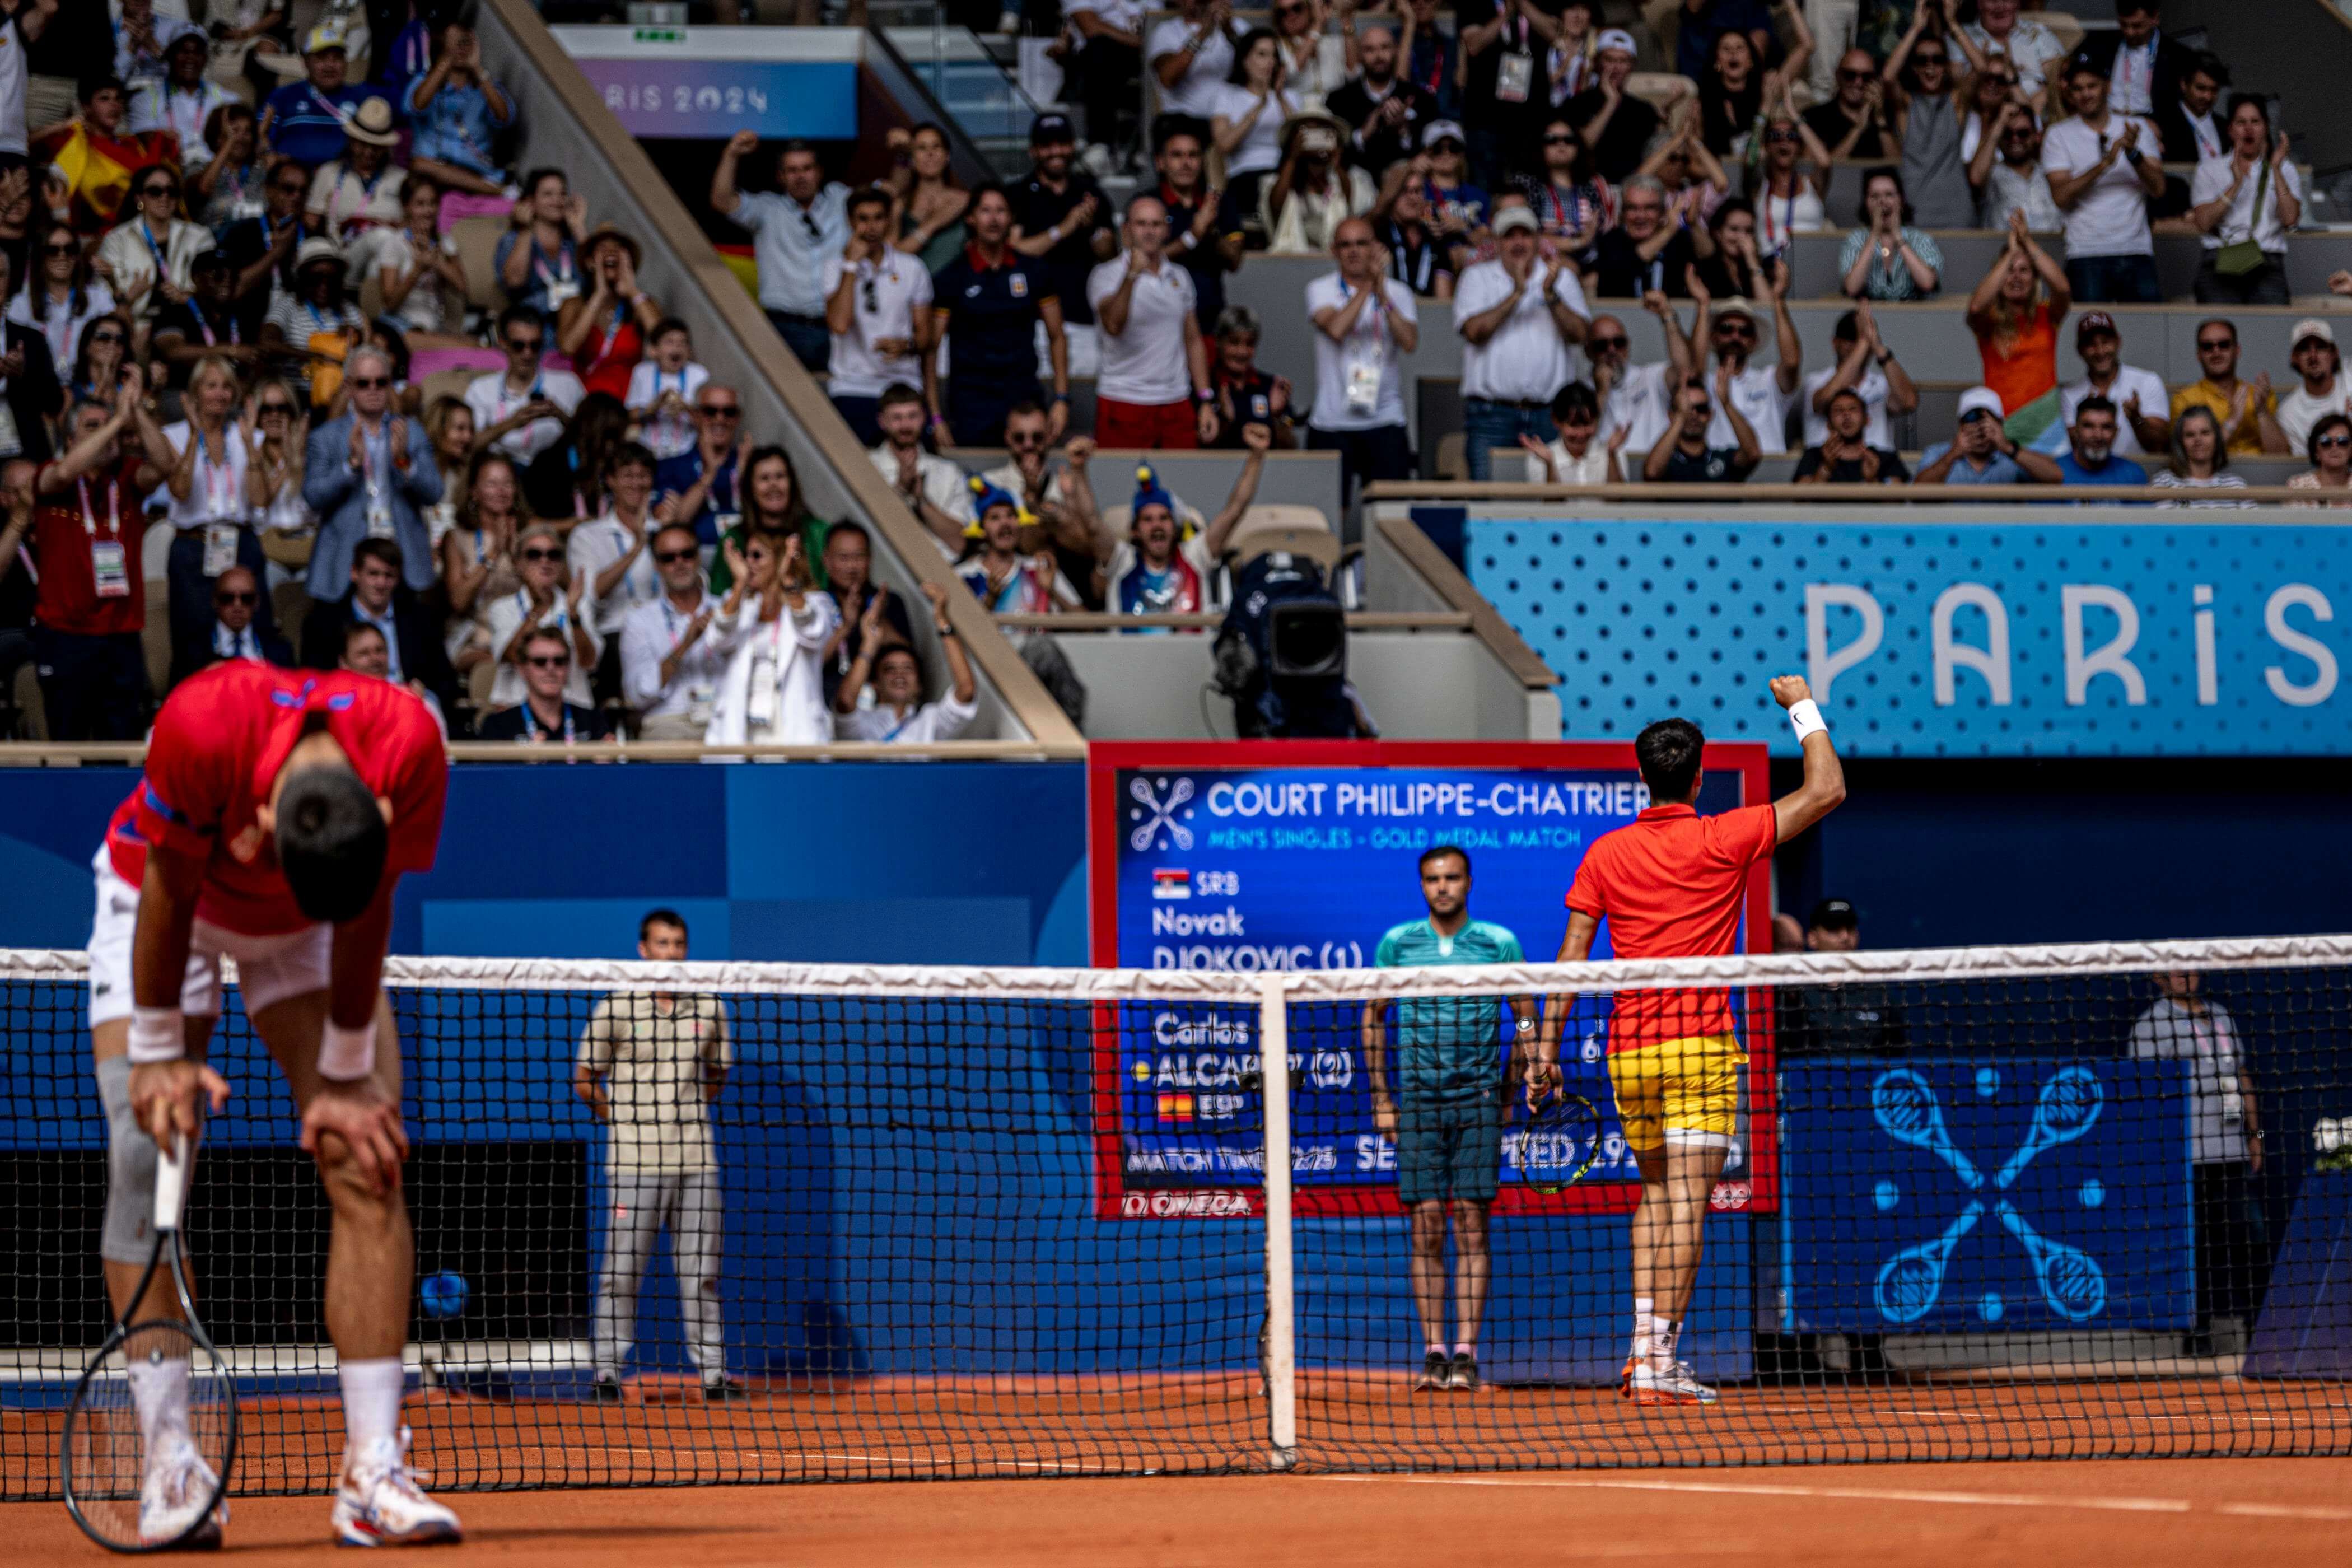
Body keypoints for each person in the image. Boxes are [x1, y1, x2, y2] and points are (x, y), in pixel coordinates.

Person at [89, 656, 456, 1547]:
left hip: (314, 928)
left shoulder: (410, 744)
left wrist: (340, 1078)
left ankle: (372, 1471)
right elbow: (171, 892)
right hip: (162, 896)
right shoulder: (204, 721)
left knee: (366, 1157)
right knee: (149, 1160)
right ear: (259, 821)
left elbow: (369, 908)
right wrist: (158, 1056)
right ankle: (170, 1460)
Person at [1530, 680, 1844, 1406]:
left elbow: (1571, 956)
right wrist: (1801, 705)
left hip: (1628, 1055)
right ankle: (1659, 1360)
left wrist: (1545, 1047)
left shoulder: (1606, 853)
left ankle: (1642, 1351)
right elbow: (1826, 790)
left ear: (1642, 777)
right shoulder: (1725, 835)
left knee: (1655, 1194)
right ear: (1699, 778)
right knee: (1686, 1207)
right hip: (1699, 1050)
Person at [1364, 844, 1530, 1394]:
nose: (1442, 887)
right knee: (1427, 1225)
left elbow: (1525, 1018)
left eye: (1452, 877)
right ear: (1422, 884)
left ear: (1469, 881)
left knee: (1473, 1224)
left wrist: (1508, 1090)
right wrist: (1383, 1099)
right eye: (1433, 879)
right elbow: (1374, 1017)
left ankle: (1467, 1354)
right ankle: (1434, 1351)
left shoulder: (1499, 943)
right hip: (1417, 1102)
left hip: (1478, 1101)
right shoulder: (1397, 943)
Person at [575, 909, 738, 1396]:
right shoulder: (617, 1008)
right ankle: (607, 1373)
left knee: (702, 1276)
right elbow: (585, 1079)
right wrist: (622, 1119)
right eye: (662, 944)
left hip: (696, 1162)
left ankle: (713, 1376)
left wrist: (682, 1112)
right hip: (633, 1162)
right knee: (620, 1274)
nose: (671, 953)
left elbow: (718, 1075)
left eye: (679, 944)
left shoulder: (709, 1008)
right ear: (643, 949)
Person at [2128, 970, 2267, 1359]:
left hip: (2232, 1154)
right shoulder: (2151, 1025)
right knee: (2197, 1247)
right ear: (2157, 978)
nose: (2184, 976)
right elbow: (2145, 1093)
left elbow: (2241, 1076)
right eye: (2175, 970)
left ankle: (2260, 1329)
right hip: (2186, 1158)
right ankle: (2198, 1332)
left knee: (2250, 1241)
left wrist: (2256, 1137)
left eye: (2190, 968)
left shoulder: (2221, 1015)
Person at [30, 386, 172, 740]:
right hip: (66, 636)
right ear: (70, 438)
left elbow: (168, 465)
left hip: (121, 635)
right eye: (92, 426)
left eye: (108, 425)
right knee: (68, 743)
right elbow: (65, 474)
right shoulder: (50, 475)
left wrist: (134, 411)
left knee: (121, 746)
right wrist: (117, 423)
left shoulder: (127, 477)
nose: (106, 432)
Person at [927, 183, 1070, 451]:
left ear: (1011, 218)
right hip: (972, 400)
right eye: (985, 211)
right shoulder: (951, 277)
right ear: (970, 218)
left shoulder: (1035, 270)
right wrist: (935, 416)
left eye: (1001, 211)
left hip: (1024, 394)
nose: (994, 219)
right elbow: (931, 349)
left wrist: (1062, 399)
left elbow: (1057, 335)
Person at [1454, 204, 1589, 479]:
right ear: (1496, 242)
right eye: (1509, 236)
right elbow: (1474, 332)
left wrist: (1551, 296)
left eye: (1525, 235)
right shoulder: (1476, 277)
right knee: (1486, 504)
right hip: (1492, 415)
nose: (1518, 242)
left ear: (1538, 239)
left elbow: (1580, 335)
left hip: (1551, 415)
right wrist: (1517, 294)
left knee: (1553, 505)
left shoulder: (1561, 278)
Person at [301, 344, 441, 601]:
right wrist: (351, 466)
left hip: (402, 552)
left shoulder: (412, 431)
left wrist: (404, 463)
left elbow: (434, 492)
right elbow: (313, 496)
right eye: (364, 383)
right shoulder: (326, 436)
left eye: (381, 382)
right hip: (347, 555)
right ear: (349, 386)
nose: (374, 390)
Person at [710, 132, 850, 373]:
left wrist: (902, 159)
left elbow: (889, 194)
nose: (801, 176)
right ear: (781, 177)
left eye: (807, 168)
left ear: (819, 172)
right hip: (783, 327)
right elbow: (722, 201)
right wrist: (731, 153)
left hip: (836, 327)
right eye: (792, 171)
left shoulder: (842, 202)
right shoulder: (767, 209)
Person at [1093, 426, 1268, 617]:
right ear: (1135, 530)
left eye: (1164, 518)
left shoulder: (1195, 555)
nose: (1157, 525)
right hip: (1126, 648)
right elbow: (1092, 523)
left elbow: (1235, 510)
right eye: (1148, 520)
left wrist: (1257, 456)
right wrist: (1077, 470)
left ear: (1175, 527)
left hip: (1190, 648)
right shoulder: (1122, 559)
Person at [1305, 217, 1417, 500]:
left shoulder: (1399, 292)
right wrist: (1369, 285)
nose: (1354, 251)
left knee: (1390, 511)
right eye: (1345, 245)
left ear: (1375, 248)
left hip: (1385, 418)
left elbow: (1410, 342)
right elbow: (1336, 329)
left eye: (1361, 243)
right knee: (1329, 512)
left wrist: (1383, 295)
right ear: (1334, 250)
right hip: (1332, 422)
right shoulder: (1321, 289)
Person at [1090, 196, 1214, 449]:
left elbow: (1193, 340)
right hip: (1123, 399)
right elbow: (1113, 325)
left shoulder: (1180, 275)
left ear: (1167, 229)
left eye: (1156, 224)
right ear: (1126, 229)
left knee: (1181, 485)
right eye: (1141, 224)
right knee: (1120, 485)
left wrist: (1205, 400)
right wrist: (1132, 275)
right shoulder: (1105, 275)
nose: (1149, 231)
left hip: (1176, 401)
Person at [2041, 53, 2164, 305]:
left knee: (2147, 333)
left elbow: (2159, 189)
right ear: (2070, 94)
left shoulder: (2136, 128)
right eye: (2078, 89)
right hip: (2086, 252)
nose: (2085, 94)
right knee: (2089, 339)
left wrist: (2133, 153)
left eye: (2092, 86)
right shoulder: (2058, 134)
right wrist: (2105, 164)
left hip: (2136, 250)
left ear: (2107, 87)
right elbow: (2061, 197)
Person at [703, 529, 838, 748]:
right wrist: (739, 586)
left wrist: (788, 582)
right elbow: (716, 640)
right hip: (740, 726)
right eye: (746, 556)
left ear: (780, 558)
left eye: (757, 555)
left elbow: (813, 633)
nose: (749, 563)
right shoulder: (737, 602)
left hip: (794, 725)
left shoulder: (815, 601)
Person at [298, 537, 459, 717]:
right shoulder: (324, 622)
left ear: (398, 579)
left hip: (410, 710)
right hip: (349, 712)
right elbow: (313, 682)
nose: (381, 583)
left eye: (389, 575)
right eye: (373, 574)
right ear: (355, 573)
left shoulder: (420, 620)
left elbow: (446, 680)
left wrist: (424, 694)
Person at [824, 186, 931, 450]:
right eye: (863, 219)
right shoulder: (834, 267)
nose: (871, 227)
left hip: (903, 385)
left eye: (878, 218)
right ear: (851, 222)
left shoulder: (912, 267)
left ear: (889, 221)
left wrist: (906, 346)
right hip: (852, 387)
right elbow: (839, 324)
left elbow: (925, 336)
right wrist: (851, 265)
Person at [1966, 212, 2071, 446]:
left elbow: (2063, 289)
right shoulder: (1989, 322)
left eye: (2024, 270)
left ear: (2034, 278)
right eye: (2009, 270)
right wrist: (2011, 253)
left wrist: (2027, 242)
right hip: (2002, 428)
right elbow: (1975, 307)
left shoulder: (2047, 315)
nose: (2016, 277)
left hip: (2048, 427)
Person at [568, 441, 663, 702]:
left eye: (643, 475)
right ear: (610, 480)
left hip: (662, 630)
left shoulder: (665, 531)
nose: (636, 483)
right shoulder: (588, 535)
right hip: (614, 631)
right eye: (628, 475)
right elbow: (592, 592)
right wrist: (637, 547)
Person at [2186, 95, 2300, 307]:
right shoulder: (2209, 169)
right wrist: (2236, 185)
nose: (2248, 129)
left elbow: (2290, 219)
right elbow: (2203, 223)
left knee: (2271, 330)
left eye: (2255, 122)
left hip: (2267, 259)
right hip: (2219, 259)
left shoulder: (2284, 169)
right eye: (2241, 122)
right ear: (2230, 130)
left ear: (2265, 128)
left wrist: (2275, 170)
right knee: (2217, 327)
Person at [616, 521, 724, 740]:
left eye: (687, 554)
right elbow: (639, 695)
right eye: (669, 558)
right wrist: (684, 646)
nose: (680, 563)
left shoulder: (724, 610)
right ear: (656, 565)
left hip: (724, 718)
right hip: (668, 722)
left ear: (699, 557)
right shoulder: (640, 619)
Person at [834, 582, 977, 744]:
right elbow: (845, 702)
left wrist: (942, 619)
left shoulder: (930, 721)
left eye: (908, 669)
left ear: (919, 684)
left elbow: (966, 690)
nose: (899, 674)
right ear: (875, 684)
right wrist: (869, 644)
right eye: (889, 669)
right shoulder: (864, 723)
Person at [1877, 8, 1978, 229]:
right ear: (1914, 67)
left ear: (1946, 66)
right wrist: (1915, 29)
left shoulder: (1955, 102)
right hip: (1916, 209)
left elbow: (1981, 68)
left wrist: (1952, 23)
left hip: (1957, 208)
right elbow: (1887, 76)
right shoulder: (1907, 105)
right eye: (1922, 61)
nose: (1930, 67)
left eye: (1938, 60)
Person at [484, 521, 598, 711]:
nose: (545, 562)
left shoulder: (579, 605)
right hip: (516, 707)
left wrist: (574, 616)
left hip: (573, 707)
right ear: (518, 564)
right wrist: (537, 609)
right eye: (534, 555)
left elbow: (588, 661)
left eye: (553, 555)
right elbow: (511, 656)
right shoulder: (503, 608)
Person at [1691, 268, 1800, 456]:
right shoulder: (1704, 383)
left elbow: (1791, 363)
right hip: (1719, 476)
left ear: (1754, 341)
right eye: (1726, 329)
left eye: (1745, 331)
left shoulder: (1768, 380)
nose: (1736, 336)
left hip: (1768, 474)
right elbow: (1693, 367)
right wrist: (1703, 306)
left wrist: (1778, 300)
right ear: (1713, 338)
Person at [403, 21, 513, 201]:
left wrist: (478, 70)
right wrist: (444, 63)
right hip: (430, 176)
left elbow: (504, 118)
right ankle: (501, 192)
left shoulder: (486, 89)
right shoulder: (424, 82)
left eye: (465, 42)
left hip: (475, 173)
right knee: (421, 164)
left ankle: (494, 189)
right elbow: (416, 106)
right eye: (453, 42)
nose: (460, 48)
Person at [1150, 117, 1242, 335]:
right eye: (1177, 155)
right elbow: (1141, 261)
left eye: (1193, 155)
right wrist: (1193, 236)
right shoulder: (1147, 205)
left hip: (1210, 320)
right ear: (1160, 162)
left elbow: (1234, 261)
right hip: (1158, 319)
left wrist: (1210, 233)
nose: (1186, 163)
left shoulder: (1219, 203)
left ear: (1203, 161)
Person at [813, 519, 917, 707]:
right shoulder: (814, 604)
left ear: (869, 560)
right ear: (826, 561)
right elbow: (809, 663)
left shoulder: (888, 602)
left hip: (877, 707)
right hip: (824, 702)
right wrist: (845, 628)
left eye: (859, 557)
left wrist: (878, 621)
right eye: (844, 558)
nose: (852, 567)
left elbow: (908, 660)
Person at [95, 162, 208, 334]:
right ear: (139, 197)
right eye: (155, 191)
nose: (165, 197)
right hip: (135, 323)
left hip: (187, 321)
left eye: (172, 192)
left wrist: (187, 296)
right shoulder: (117, 239)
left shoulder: (199, 236)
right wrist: (129, 297)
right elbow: (102, 295)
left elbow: (214, 286)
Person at [465, 305, 585, 465]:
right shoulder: (481, 389)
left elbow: (592, 440)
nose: (527, 354)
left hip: (555, 474)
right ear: (503, 343)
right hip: (500, 474)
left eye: (535, 346)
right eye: (519, 345)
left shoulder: (568, 384)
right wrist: (512, 423)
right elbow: (467, 447)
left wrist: (560, 415)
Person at [556, 227, 661, 407]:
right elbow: (568, 347)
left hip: (629, 405)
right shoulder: (573, 304)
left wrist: (632, 291)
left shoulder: (641, 304)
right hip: (582, 404)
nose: (611, 252)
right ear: (590, 262)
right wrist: (599, 295)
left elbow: (661, 339)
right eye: (603, 248)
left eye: (618, 249)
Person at [260, 240, 368, 411]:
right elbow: (266, 344)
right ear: (302, 278)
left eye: (331, 278)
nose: (324, 284)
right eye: (316, 278)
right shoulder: (288, 306)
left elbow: (367, 353)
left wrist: (357, 336)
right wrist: (314, 357)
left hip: (343, 396)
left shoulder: (350, 312)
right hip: (297, 394)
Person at [871, 384, 976, 554]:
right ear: (882, 421)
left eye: (912, 416)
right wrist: (901, 489)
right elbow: (868, 528)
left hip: (945, 568)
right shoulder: (867, 467)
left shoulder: (949, 472)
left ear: (923, 417)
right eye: (897, 418)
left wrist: (922, 501)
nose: (905, 425)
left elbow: (959, 543)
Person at [1328, 21, 1438, 181]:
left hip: (1407, 185)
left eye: (1385, 47)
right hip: (1356, 184)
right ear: (1359, 55)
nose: (1379, 56)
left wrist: (1404, 129)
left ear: (1396, 51)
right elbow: (1335, 155)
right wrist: (1363, 134)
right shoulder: (1339, 100)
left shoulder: (1421, 98)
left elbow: (1432, 152)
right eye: (1369, 50)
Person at [1209, 27, 1299, 222]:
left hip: (1283, 174)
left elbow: (1299, 139)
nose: (1270, 62)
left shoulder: (1289, 97)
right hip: (1245, 176)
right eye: (1262, 54)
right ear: (1245, 60)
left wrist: (1280, 96)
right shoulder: (1228, 95)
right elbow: (1224, 145)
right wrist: (1260, 106)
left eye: (1274, 55)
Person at [1259, 107, 1375, 256]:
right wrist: (1293, 157)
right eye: (1307, 131)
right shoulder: (1275, 182)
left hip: (1333, 262)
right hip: (1292, 261)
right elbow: (1275, 205)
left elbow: (1350, 201)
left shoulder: (1346, 180)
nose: (1315, 137)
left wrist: (1336, 161)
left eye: (1321, 131)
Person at [1802, 305, 1916, 454]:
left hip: (1877, 469)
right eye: (1851, 339)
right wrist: (1863, 342)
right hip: (1828, 470)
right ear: (1835, 343)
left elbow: (1909, 403)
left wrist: (1880, 350)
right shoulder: (1816, 381)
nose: (1858, 346)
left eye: (1863, 340)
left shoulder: (1881, 383)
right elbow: (1823, 402)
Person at [2060, 311, 2171, 459]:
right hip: (2089, 478)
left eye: (2106, 342)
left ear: (2118, 342)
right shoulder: (2070, 393)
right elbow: (2073, 450)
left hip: (2141, 473)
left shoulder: (2147, 381)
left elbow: (2159, 445)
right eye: (2091, 345)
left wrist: (2136, 418)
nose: (2100, 351)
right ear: (2080, 350)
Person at [2170, 318, 2287, 457]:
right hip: (2212, 476)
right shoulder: (2185, 400)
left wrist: (2262, 412)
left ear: (2237, 350)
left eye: (2224, 345)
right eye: (2208, 347)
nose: (2216, 352)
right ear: (2199, 355)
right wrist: (2232, 421)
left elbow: (2281, 455)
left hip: (2261, 475)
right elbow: (2185, 457)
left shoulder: (2259, 394)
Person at [256, 25, 368, 167]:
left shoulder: (360, 97)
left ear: (345, 63)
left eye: (337, 58)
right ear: (306, 62)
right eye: (321, 58)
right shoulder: (283, 96)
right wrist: (269, 154)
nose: (330, 65)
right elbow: (260, 134)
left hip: (345, 178)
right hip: (293, 178)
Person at [12, 221, 115, 376]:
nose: (63, 256)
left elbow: (118, 344)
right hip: (38, 386)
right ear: (41, 256)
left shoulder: (98, 298)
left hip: (86, 385)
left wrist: (116, 288)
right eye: (53, 250)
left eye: (70, 250)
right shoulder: (21, 304)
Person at [302, 96, 405, 249]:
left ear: (385, 148)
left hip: (386, 255)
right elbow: (311, 220)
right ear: (351, 140)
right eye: (363, 144)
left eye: (376, 146)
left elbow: (410, 225)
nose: (369, 152)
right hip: (338, 252)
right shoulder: (329, 173)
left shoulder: (402, 179)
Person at [477, 622, 606, 741]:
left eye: (559, 661)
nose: (550, 669)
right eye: (540, 662)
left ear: (568, 667)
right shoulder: (498, 726)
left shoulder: (594, 722)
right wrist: (527, 763)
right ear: (523, 669)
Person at [494, 169, 587, 335]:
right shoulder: (513, 240)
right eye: (548, 194)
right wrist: (526, 230)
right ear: (530, 201)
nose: (557, 201)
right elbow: (514, 281)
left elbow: (596, 277)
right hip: (532, 332)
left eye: (562, 194)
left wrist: (579, 228)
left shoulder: (572, 242)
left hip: (576, 328)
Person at [2073, 0, 2192, 127]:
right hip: (2104, 124)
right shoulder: (2098, 43)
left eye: (2137, 26)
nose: (2130, 32)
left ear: (2155, 19)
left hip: (2153, 127)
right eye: (2124, 25)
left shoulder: (2178, 55)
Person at [1912, 385, 2062, 485]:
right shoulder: (1938, 453)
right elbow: (1918, 494)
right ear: (1960, 424)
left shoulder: (2013, 457)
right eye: (1972, 419)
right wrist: (1953, 455)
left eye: (1988, 419)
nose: (1981, 428)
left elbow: (2056, 477)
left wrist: (2007, 447)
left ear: (2000, 423)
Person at [652, 385, 743, 549]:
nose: (720, 419)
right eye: (710, 412)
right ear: (696, 416)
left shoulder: (749, 462)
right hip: (692, 559)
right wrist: (709, 474)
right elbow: (672, 524)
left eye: (729, 412)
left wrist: (747, 477)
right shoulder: (671, 467)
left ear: (738, 418)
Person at [1564, 30, 1658, 186]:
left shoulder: (1644, 111)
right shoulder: (1576, 105)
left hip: (1631, 189)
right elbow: (1580, 148)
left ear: (1632, 66)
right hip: (1586, 186)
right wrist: (1611, 103)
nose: (1616, 68)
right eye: (1610, 60)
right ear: (1597, 62)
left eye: (1623, 61)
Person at [1837, 169, 1943, 302]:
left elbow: (1927, 283)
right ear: (1866, 203)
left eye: (1889, 195)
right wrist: (1874, 235)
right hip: (1869, 317)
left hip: (1914, 317)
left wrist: (1898, 238)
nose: (1882, 202)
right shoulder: (1855, 239)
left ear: (1901, 200)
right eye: (1875, 196)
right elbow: (1852, 288)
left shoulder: (1921, 239)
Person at [1587, 175, 1698, 301]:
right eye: (1632, 208)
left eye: (1650, 208)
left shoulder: (1679, 241)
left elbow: (1709, 259)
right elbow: (1621, 271)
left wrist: (1694, 224)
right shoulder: (1609, 241)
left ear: (1663, 212)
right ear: (1622, 213)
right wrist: (1668, 231)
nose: (1641, 216)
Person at [1748, 103, 1833, 263]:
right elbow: (1750, 162)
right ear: (1766, 146)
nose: (1784, 142)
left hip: (1811, 265)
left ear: (1800, 147)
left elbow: (1825, 162)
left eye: (1791, 137)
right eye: (1775, 137)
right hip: (1770, 266)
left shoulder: (1812, 185)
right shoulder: (1759, 187)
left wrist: (1795, 116)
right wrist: (1764, 112)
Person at [125, 30, 232, 157]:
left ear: (205, 59)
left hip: (214, 170)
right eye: (184, 52)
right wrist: (161, 138)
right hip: (169, 170)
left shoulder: (227, 99)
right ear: (170, 56)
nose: (190, 58)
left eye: (197, 53)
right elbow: (144, 143)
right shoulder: (144, 99)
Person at [885, 122, 972, 275]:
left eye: (936, 147)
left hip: (957, 291)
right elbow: (888, 258)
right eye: (921, 148)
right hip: (910, 291)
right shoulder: (901, 204)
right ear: (912, 159)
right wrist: (935, 222)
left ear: (947, 156)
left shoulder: (965, 200)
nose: (930, 154)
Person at [1644, 369, 1760, 483]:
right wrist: (1680, 417)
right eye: (1687, 409)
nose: (1694, 415)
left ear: (1710, 415)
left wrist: (1726, 403)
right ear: (1671, 416)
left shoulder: (1724, 459)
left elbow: (1752, 454)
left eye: (1701, 409)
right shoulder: (1666, 462)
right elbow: (1652, 472)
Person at [1973, 104, 2062, 235]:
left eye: (2023, 133)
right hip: (2004, 251)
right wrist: (2000, 123)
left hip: (2049, 251)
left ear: (2037, 136)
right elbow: (1976, 178)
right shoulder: (1991, 173)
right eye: (2008, 133)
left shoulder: (2049, 172)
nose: (2015, 139)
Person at [1961, 0, 2066, 110]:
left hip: (2037, 116)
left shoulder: (2038, 34)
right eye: (1992, 0)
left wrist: (2045, 95)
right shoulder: (1961, 38)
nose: (2000, 6)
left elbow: (2060, 81)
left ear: (2018, 3)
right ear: (1979, 3)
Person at [1149, 0, 1240, 121]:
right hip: (1183, 121)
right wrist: (1202, 34)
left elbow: (1258, 69)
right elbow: (1167, 78)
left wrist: (1230, 33)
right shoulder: (1166, 31)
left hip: (1231, 122)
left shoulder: (1237, 27)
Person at [1794, 386, 1908, 484]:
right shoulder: (1813, 456)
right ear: (1829, 424)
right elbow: (1801, 502)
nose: (1846, 415)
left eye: (1853, 409)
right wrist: (1826, 468)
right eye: (1838, 410)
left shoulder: (1886, 458)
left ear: (1867, 420)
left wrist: (1872, 480)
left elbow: (1897, 503)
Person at [1520, 381, 1626, 484]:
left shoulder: (1614, 453)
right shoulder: (1539, 458)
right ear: (1556, 421)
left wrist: (1611, 456)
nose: (1581, 434)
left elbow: (1617, 500)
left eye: (1587, 424)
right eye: (1573, 425)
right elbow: (1550, 502)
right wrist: (1550, 464)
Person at [2277, 320, 2352, 461]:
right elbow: (2308, 466)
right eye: (2304, 349)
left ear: (2334, 353)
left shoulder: (2350, 373)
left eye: (2321, 347)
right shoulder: (2288, 414)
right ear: (2295, 358)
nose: (2313, 356)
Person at [2151, 404, 2251, 508]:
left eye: (2205, 433)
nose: (2198, 440)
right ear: (2180, 442)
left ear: (2216, 438)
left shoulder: (2235, 485)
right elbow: (2165, 523)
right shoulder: (2164, 482)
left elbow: (2252, 523)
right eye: (2190, 435)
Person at [1804, 48, 1893, 160]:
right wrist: (1858, 128)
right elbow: (1822, 171)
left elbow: (1899, 167)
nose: (1858, 83)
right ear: (1838, 76)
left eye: (1867, 77)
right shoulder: (1816, 117)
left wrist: (1881, 120)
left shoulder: (1885, 114)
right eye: (1850, 75)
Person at [2055, 396, 2149, 491]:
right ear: (2075, 431)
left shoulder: (2133, 474)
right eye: (2089, 426)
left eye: (2106, 427)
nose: (2098, 436)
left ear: (2116, 432)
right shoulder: (2054, 472)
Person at [2159, 50, 2228, 166]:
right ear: (2184, 85)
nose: (2208, 97)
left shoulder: (2225, 126)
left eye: (2214, 90)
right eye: (2201, 88)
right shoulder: (2166, 123)